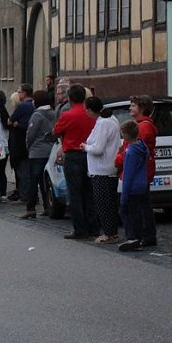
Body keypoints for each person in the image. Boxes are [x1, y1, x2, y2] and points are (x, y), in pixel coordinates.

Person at [52, 84, 99, 240]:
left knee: (75, 194)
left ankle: (80, 229)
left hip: (73, 155)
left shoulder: (67, 115)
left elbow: (55, 131)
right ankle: (93, 227)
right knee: (90, 193)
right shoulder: (91, 115)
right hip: (90, 155)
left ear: (70, 98)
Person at [116, 95, 158, 246]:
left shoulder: (142, 127)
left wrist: (118, 159)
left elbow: (129, 150)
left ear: (142, 108)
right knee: (143, 204)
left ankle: (142, 235)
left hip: (140, 173)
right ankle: (146, 235)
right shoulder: (140, 125)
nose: (130, 108)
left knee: (140, 206)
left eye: (133, 105)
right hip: (142, 171)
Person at [81, 97, 122, 244]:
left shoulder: (103, 123)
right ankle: (112, 231)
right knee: (109, 202)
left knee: (103, 203)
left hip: (102, 169)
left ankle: (109, 233)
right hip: (108, 167)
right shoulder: (111, 119)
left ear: (91, 110)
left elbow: (98, 149)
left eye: (86, 109)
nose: (85, 112)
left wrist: (85, 147)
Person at [117, 121, 152, 252]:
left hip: (132, 187)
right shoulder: (141, 147)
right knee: (138, 212)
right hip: (142, 184)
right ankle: (138, 237)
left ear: (126, 135)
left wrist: (123, 196)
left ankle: (132, 237)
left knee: (127, 212)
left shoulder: (130, 152)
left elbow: (128, 175)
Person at [22, 90, 54, 218]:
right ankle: (47, 206)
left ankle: (30, 209)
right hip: (50, 150)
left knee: (33, 180)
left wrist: (28, 147)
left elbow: (30, 134)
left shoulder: (37, 115)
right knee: (45, 181)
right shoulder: (54, 113)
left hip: (37, 152)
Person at [8, 83, 34, 201]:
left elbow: (10, 120)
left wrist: (16, 123)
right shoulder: (33, 105)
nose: (18, 94)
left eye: (19, 92)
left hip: (20, 143)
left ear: (24, 93)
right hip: (30, 143)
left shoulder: (23, 106)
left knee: (23, 171)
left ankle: (26, 195)